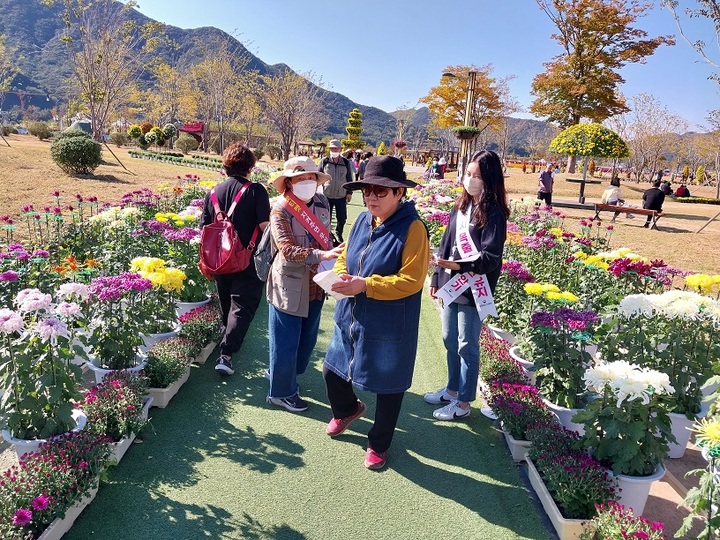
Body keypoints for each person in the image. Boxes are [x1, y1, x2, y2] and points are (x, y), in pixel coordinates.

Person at [322, 155, 429, 470]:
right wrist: (341, 275)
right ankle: (346, 410)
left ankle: (379, 443)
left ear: (399, 192)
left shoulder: (413, 228)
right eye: (367, 190)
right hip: (351, 314)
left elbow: (411, 280)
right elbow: (344, 255)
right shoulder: (361, 220)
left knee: (389, 386)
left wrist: (365, 285)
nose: (371, 196)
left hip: (390, 321)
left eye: (381, 191)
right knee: (332, 371)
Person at [425, 150, 509, 421]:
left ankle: (463, 403)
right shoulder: (460, 206)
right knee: (450, 339)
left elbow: (491, 258)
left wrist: (459, 267)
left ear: (490, 179)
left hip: (474, 289)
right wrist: (438, 278)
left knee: (466, 345)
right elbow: (447, 244)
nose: (470, 180)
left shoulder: (494, 213)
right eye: (468, 174)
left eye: (478, 176)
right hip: (450, 285)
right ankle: (451, 390)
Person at [265, 157, 345, 412]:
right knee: (285, 340)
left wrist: (331, 255)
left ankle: (285, 375)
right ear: (289, 182)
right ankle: (280, 392)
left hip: (316, 283)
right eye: (301, 178)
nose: (307, 182)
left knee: (307, 339)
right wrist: (323, 255)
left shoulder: (321, 203)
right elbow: (287, 250)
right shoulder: (280, 209)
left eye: (311, 177)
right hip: (288, 283)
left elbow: (325, 237)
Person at [200, 143, 270, 376]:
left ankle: (228, 338)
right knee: (243, 305)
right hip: (248, 258)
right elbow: (264, 226)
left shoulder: (213, 193)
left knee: (227, 302)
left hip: (219, 258)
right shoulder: (256, 190)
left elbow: (204, 228)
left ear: (226, 165)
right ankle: (226, 353)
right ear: (250, 166)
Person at [318, 139, 354, 242]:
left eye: (336, 148)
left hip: (341, 196)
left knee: (342, 218)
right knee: (325, 218)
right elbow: (317, 176)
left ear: (340, 149)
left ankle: (339, 232)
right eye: (332, 148)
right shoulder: (324, 161)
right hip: (326, 195)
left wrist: (349, 192)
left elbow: (349, 178)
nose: (334, 150)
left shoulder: (346, 163)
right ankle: (327, 235)